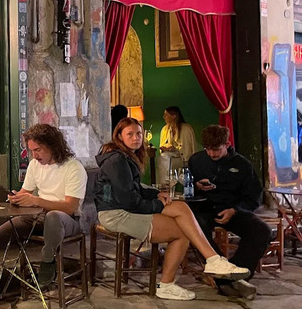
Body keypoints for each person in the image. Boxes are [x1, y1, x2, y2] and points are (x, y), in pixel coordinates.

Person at [94, 118, 250, 301]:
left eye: (138, 133)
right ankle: (204, 265)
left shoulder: (125, 157)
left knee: (182, 219)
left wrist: (157, 194)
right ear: (119, 136)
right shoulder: (116, 160)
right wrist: (159, 204)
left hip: (124, 208)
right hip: (115, 214)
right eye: (130, 134)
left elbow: (136, 188)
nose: (136, 138)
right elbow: (128, 200)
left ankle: (207, 264)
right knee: (182, 225)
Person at [0, 124, 87, 286]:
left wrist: (36, 200)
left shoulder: (73, 168)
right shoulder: (34, 165)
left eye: (38, 150)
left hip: (67, 220)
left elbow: (70, 207)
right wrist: (16, 198)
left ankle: (48, 260)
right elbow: (25, 192)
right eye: (31, 150)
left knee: (53, 216)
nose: (34, 155)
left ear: (52, 146)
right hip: (37, 216)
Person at [188, 125, 272, 300]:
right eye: (208, 149)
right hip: (204, 209)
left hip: (234, 209)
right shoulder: (196, 160)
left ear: (227, 144)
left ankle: (235, 277)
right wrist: (196, 186)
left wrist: (235, 210)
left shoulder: (242, 164)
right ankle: (225, 278)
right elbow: (187, 190)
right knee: (195, 228)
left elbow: (254, 197)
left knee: (262, 230)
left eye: (216, 149)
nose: (212, 154)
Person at [156, 106, 198, 185]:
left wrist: (176, 149)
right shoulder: (165, 129)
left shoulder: (186, 129)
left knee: (164, 159)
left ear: (174, 116)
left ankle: (164, 184)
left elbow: (188, 148)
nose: (164, 117)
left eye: (166, 115)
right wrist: (166, 148)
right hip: (170, 156)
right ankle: (163, 184)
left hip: (184, 159)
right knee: (163, 157)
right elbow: (162, 145)